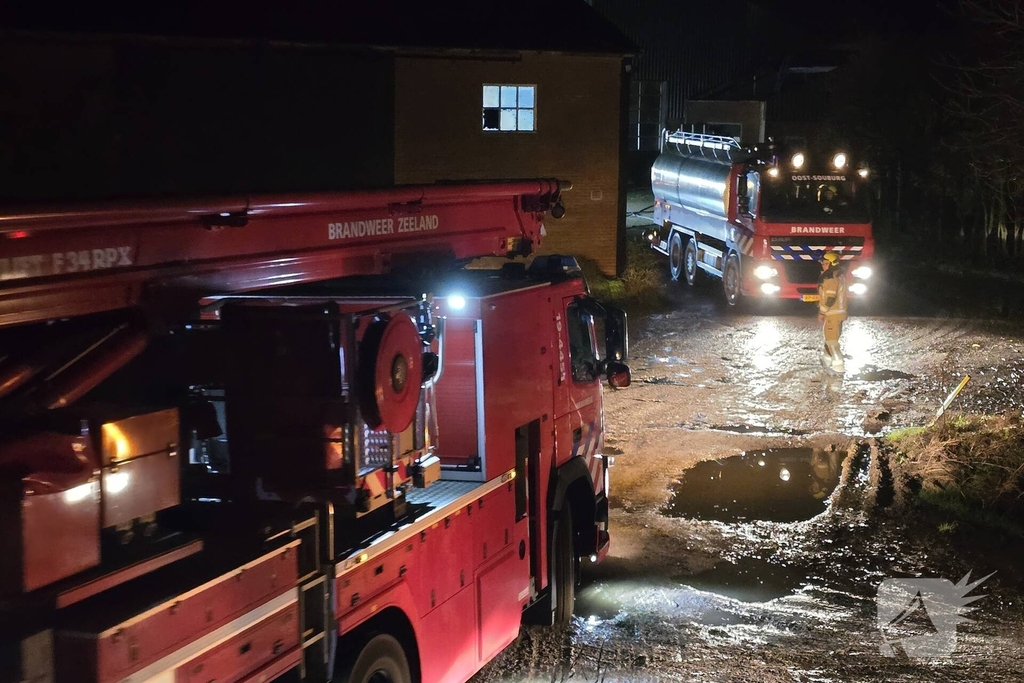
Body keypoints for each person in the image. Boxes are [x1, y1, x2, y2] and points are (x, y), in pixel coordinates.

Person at [817, 251, 848, 372]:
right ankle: (826, 360)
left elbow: (830, 298)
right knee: (831, 337)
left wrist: (822, 312)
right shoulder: (839, 275)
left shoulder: (830, 277)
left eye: (825, 263)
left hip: (832, 313)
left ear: (831, 264)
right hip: (839, 313)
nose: (823, 265)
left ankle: (838, 366)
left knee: (831, 340)